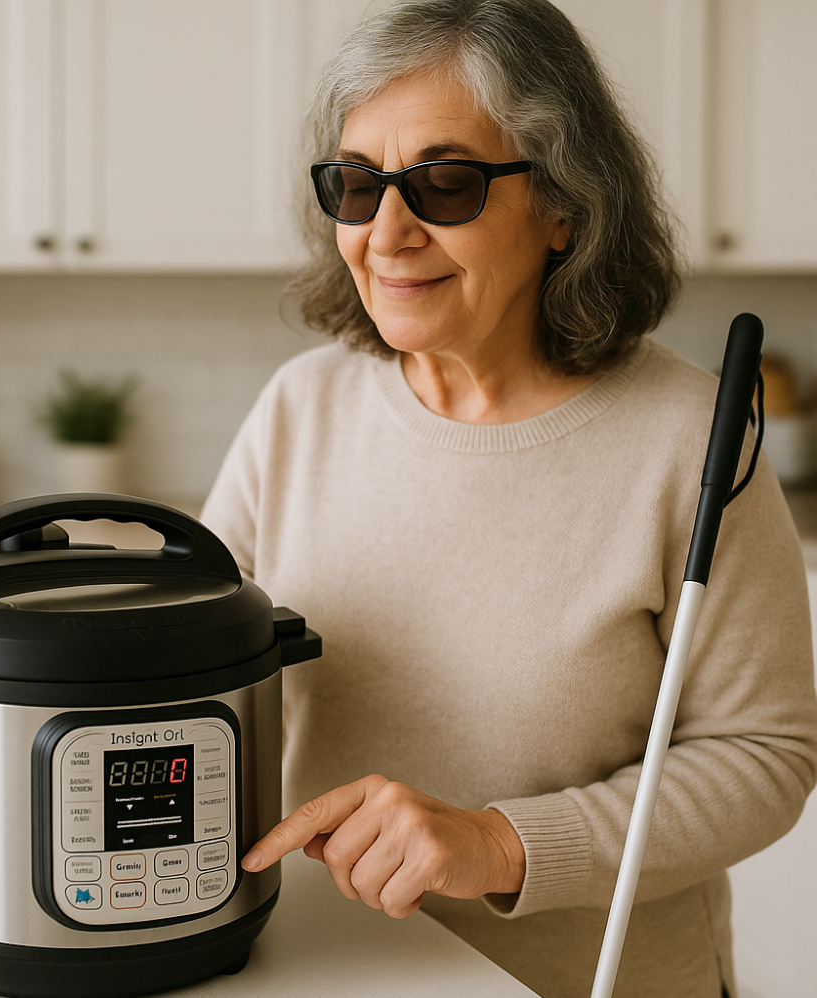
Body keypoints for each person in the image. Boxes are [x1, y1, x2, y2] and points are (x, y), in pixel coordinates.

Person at [200, 2, 817, 996]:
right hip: (323, 974)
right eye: (357, 186)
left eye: (443, 183)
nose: (385, 233)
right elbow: (197, 670)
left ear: (565, 206)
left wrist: (497, 843)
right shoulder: (300, 408)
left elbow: (764, 757)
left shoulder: (687, 439)